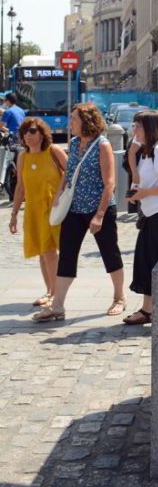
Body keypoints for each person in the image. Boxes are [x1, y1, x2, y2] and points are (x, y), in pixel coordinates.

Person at [33, 102, 125, 323]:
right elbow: (69, 172)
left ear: (87, 121)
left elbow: (109, 183)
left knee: (109, 252)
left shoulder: (102, 145)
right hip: (75, 208)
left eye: (73, 118)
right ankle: (58, 306)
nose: (70, 123)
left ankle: (119, 297)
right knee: (67, 255)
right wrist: (58, 196)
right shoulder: (74, 144)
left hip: (98, 207)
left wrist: (100, 215)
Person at [9, 117, 67, 306]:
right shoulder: (23, 156)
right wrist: (14, 214)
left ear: (42, 134)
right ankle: (50, 291)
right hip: (33, 210)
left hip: (53, 208)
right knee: (42, 252)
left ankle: (55, 294)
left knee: (50, 252)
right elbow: (20, 187)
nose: (28, 135)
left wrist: (59, 194)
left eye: (33, 131)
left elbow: (72, 172)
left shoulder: (53, 151)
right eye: (25, 132)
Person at [123, 111, 158, 325]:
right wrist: (137, 190)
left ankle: (154, 310)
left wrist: (145, 194)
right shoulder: (147, 150)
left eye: (138, 127)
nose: (134, 131)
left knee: (154, 264)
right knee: (145, 263)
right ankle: (148, 310)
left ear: (148, 129)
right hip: (152, 215)